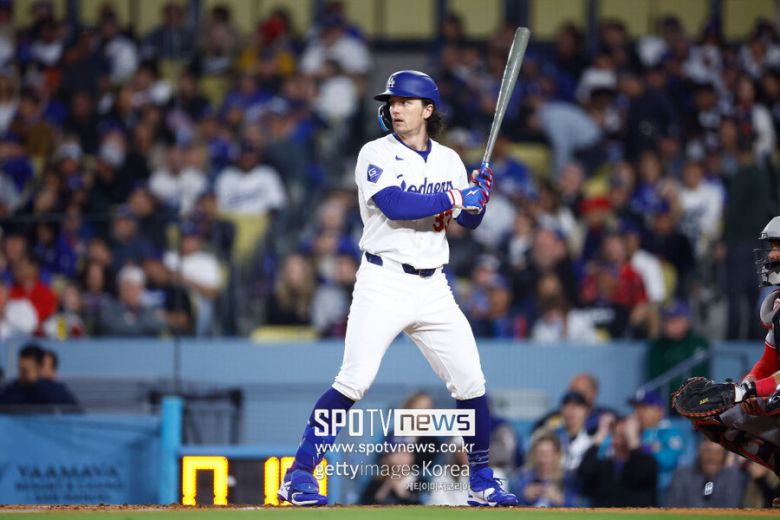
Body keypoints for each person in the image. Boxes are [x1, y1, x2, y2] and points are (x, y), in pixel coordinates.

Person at [277, 70, 516, 507]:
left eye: (405, 101)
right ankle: (299, 475)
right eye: (392, 101)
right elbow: (395, 204)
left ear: (428, 110)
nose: (395, 108)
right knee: (354, 381)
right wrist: (457, 197)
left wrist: (478, 198)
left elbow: (467, 221)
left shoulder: (448, 160)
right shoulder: (375, 152)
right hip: (383, 280)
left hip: (434, 284)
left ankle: (481, 480)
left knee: (471, 382)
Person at [678, 216, 780, 481]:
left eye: (778, 246)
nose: (772, 254)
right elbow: (768, 363)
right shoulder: (777, 305)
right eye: (772, 246)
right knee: (710, 416)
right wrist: (747, 388)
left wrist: (746, 391)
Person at [578, 415, 658, 507]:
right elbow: (585, 471)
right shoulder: (605, 465)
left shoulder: (648, 462)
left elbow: (641, 474)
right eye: (615, 434)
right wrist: (601, 434)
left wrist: (632, 440)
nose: (618, 440)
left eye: (623, 434)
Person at [665, 440, 746, 507]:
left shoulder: (732, 477)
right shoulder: (681, 475)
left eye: (717, 453)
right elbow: (674, 507)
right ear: (699, 453)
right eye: (708, 451)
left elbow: (731, 507)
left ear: (724, 457)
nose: (712, 457)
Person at [0, 343, 78, 408]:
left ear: (40, 367)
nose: (21, 375)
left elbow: (75, 413)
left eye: (26, 370)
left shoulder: (56, 392)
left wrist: (35, 383)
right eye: (20, 369)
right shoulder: (9, 392)